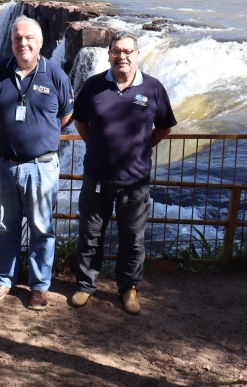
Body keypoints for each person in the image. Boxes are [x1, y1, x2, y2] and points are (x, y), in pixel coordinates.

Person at [71, 30, 177, 315]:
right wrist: (98, 145)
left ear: (137, 54)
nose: (122, 56)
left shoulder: (153, 88)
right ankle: (85, 286)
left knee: (132, 240)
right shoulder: (93, 86)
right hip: (97, 177)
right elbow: (80, 121)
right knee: (90, 235)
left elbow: (165, 126)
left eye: (128, 51)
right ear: (109, 55)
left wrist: (143, 147)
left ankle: (129, 289)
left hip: (135, 181)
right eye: (117, 51)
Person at [0, 16, 74, 310]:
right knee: (6, 226)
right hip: (2, 164)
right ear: (11, 42)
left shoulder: (55, 75)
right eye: (17, 38)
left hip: (41, 166)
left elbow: (65, 115)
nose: (23, 43)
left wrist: (37, 134)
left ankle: (39, 287)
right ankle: (4, 280)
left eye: (29, 37)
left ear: (40, 42)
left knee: (42, 227)